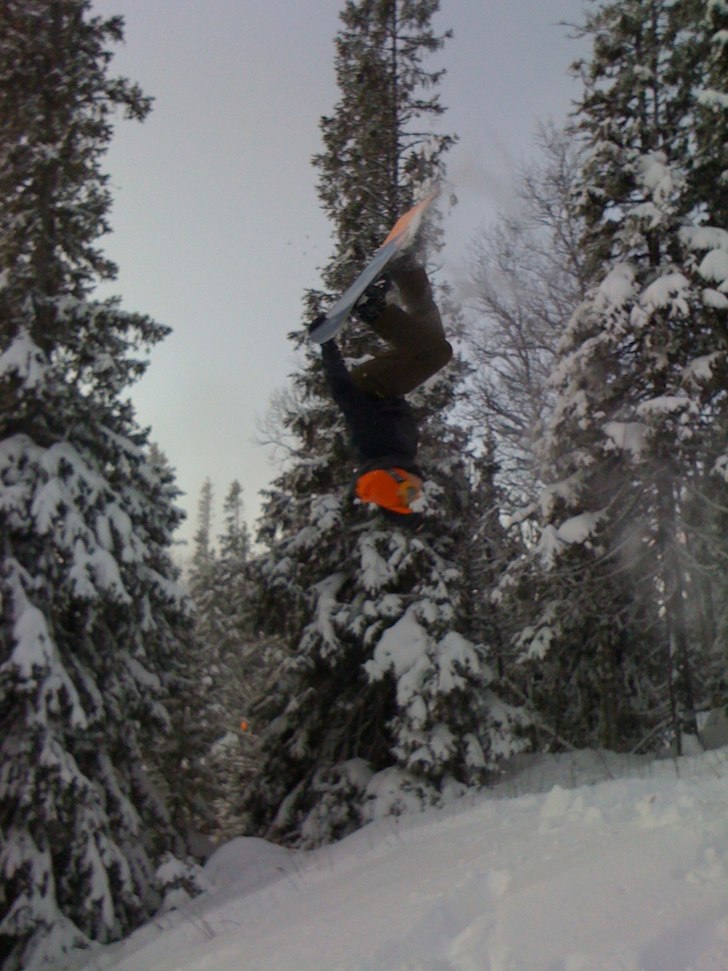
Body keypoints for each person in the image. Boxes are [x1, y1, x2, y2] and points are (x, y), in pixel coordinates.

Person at [312, 261, 452, 522]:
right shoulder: (402, 455)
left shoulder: (374, 444)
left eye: (411, 493)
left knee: (437, 353)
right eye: (417, 495)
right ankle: (408, 270)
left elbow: (344, 394)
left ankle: (371, 308)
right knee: (431, 339)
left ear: (396, 480)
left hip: (371, 385)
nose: (419, 490)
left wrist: (327, 344)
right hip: (386, 387)